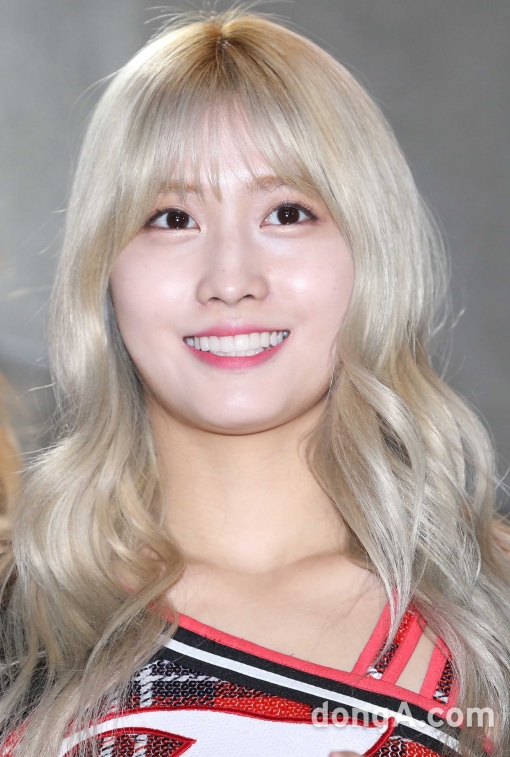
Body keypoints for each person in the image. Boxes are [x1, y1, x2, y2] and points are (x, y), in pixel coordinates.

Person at [1, 7, 509, 757]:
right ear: (103, 269)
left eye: (287, 212)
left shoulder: (490, 610)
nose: (231, 278)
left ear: (373, 253)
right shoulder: (24, 618)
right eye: (171, 218)